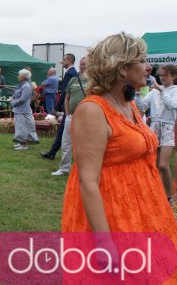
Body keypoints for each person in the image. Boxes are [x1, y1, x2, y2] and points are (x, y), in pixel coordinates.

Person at [61, 33, 177, 281]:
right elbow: (88, 181)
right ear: (122, 68)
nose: (149, 67)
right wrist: (104, 243)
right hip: (112, 213)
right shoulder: (93, 110)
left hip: (142, 208)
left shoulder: (128, 104)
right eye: (142, 61)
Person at [135, 64, 177, 202]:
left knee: (163, 165)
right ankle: (155, 193)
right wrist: (137, 93)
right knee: (151, 164)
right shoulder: (153, 92)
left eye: (165, 75)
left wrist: (161, 90)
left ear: (174, 76)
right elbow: (142, 106)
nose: (162, 77)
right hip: (154, 127)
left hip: (168, 128)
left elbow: (171, 105)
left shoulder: (175, 90)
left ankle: (169, 196)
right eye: (161, 75)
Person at [52, 57, 88, 176]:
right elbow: (67, 97)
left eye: (85, 64)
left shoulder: (94, 81)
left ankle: (83, 170)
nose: (83, 66)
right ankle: (64, 169)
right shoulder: (74, 80)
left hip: (85, 119)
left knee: (83, 145)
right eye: (81, 64)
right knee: (66, 143)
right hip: (70, 117)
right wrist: (67, 113)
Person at [40, 54, 78, 160]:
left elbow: (66, 93)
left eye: (64, 59)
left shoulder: (70, 73)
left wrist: (57, 107)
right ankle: (52, 152)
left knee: (63, 131)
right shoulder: (72, 72)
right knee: (62, 130)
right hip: (69, 107)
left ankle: (53, 153)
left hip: (69, 107)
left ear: (69, 60)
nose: (62, 62)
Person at [11, 69, 39, 150]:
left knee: (23, 127)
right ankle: (21, 143)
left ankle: (24, 145)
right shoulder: (22, 85)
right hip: (19, 109)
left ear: (24, 76)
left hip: (23, 110)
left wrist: (12, 102)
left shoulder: (26, 86)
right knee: (20, 127)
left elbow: (22, 99)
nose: (18, 76)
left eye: (19, 75)